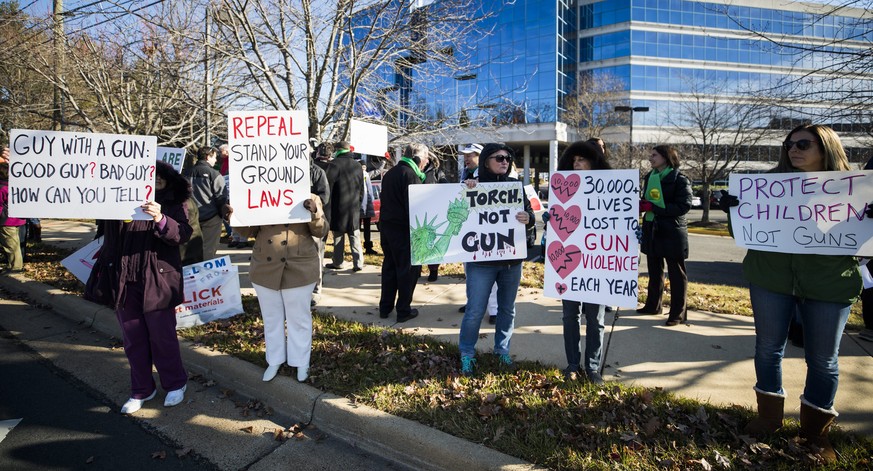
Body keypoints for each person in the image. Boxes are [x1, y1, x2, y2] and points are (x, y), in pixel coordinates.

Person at [723, 125, 863, 463]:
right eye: (789, 145)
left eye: (803, 144)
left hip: (828, 282)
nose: (793, 150)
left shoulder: (855, 189)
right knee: (768, 346)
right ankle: (768, 417)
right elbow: (743, 233)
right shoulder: (768, 186)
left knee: (823, 358)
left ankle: (815, 432)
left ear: (826, 147)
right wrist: (734, 210)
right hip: (771, 278)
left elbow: (862, 239)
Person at [84, 161, 192, 414]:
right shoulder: (115, 202)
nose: (152, 186)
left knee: (162, 336)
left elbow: (182, 235)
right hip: (123, 279)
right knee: (133, 339)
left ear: (167, 183)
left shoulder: (173, 204)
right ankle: (142, 389)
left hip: (158, 281)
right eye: (148, 180)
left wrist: (160, 218)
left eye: (159, 181)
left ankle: (175, 383)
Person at [229, 192, 327, 383]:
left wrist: (315, 213)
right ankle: (274, 359)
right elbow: (248, 232)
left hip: (299, 267)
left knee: (298, 317)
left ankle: (301, 361)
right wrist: (233, 216)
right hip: (265, 267)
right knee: (271, 317)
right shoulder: (257, 193)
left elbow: (321, 231)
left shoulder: (310, 197)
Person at [458, 143, 534, 376]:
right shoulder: (472, 185)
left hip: (511, 261)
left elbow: (530, 214)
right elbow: (458, 215)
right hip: (481, 263)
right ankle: (467, 354)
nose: (504, 161)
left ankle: (502, 351)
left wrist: (527, 218)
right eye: (499, 158)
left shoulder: (515, 187)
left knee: (507, 310)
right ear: (485, 162)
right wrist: (467, 190)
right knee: (475, 310)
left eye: (507, 158)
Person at [556, 141, 610, 385]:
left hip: (596, 264)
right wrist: (550, 217)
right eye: (573, 160)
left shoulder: (611, 189)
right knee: (570, 316)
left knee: (596, 319)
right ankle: (573, 364)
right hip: (570, 262)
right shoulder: (563, 189)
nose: (576, 164)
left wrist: (632, 232)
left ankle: (593, 367)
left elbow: (618, 221)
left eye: (582, 160)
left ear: (594, 162)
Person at [637, 144, 692, 326]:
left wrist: (654, 208)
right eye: (650, 155)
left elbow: (684, 206)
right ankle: (653, 305)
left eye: (654, 155)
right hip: (653, 229)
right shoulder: (649, 177)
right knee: (654, 271)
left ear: (666, 158)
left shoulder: (680, 180)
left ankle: (678, 313)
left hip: (672, 231)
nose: (650, 158)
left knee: (676, 274)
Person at [378, 143, 429, 323]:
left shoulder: (391, 173)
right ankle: (403, 310)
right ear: (417, 158)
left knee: (390, 268)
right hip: (404, 230)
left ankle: (385, 307)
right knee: (407, 271)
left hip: (387, 228)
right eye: (425, 159)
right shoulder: (411, 175)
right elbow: (414, 208)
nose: (426, 162)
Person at [325, 141, 365, 271]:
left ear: (337, 150)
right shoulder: (357, 165)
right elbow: (361, 188)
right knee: (355, 236)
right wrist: (358, 203)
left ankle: (338, 262)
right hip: (353, 207)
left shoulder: (334, 164)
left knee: (338, 237)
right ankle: (358, 262)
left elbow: (328, 187)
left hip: (338, 207)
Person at [184, 146, 226, 260]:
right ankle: (207, 274)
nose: (216, 160)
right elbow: (221, 196)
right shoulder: (215, 174)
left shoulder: (186, 173)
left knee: (191, 248)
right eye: (215, 157)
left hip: (190, 217)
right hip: (212, 217)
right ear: (208, 156)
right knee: (209, 249)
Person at [422, 153, 447, 282]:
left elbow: (444, 185)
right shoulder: (414, 171)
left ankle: (433, 269)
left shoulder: (437, 172)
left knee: (431, 242)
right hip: (418, 210)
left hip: (432, 211)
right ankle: (416, 269)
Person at [0, 162, 25, 273]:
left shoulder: (2, 187)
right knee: (14, 244)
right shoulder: (15, 185)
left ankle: (15, 268)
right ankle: (15, 266)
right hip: (17, 219)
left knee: (11, 245)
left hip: (6, 220)